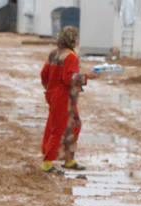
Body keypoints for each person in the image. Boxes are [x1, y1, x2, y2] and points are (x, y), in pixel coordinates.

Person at [40, 26, 97, 174]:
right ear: (72, 40)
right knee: (58, 129)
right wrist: (86, 76)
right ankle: (47, 162)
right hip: (64, 98)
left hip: (55, 95)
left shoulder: (54, 54)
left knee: (73, 124)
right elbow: (69, 77)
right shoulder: (71, 56)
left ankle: (68, 158)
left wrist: (50, 88)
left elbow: (44, 74)